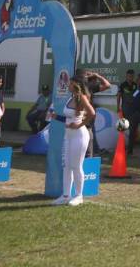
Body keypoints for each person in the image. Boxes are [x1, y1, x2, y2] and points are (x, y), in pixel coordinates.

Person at [55, 78, 96, 206]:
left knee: (76, 166)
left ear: (76, 85)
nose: (68, 84)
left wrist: (79, 125)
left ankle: (79, 196)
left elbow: (92, 113)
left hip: (79, 136)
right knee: (67, 166)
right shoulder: (70, 98)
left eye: (71, 83)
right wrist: (55, 116)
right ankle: (66, 196)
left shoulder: (82, 97)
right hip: (68, 136)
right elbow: (69, 117)